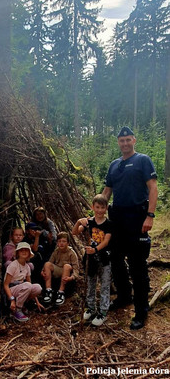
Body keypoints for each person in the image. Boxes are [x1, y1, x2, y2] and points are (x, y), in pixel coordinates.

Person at [102, 126, 158, 330]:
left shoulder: (143, 160)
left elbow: (153, 188)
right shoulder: (114, 165)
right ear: (118, 143)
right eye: (121, 140)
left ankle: (141, 310)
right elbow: (107, 191)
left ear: (134, 140)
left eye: (128, 140)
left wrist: (150, 216)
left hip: (137, 217)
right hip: (117, 217)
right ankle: (125, 296)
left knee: (137, 264)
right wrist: (97, 212)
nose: (125, 143)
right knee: (115, 259)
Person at [72, 195, 112, 326]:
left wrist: (95, 250)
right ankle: (90, 308)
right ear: (92, 207)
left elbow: (106, 241)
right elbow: (74, 232)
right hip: (90, 260)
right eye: (97, 207)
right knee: (90, 283)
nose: (100, 210)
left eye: (102, 207)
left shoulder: (108, 224)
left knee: (104, 285)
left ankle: (103, 312)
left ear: (106, 208)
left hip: (104, 259)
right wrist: (79, 221)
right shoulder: (89, 222)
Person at [3, 242, 43, 322]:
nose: (24, 252)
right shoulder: (13, 265)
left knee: (38, 288)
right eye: (21, 250)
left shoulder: (27, 267)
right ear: (18, 253)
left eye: (26, 250)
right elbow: (6, 285)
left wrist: (37, 302)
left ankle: (21, 305)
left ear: (29, 253)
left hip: (21, 289)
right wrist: (12, 300)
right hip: (11, 291)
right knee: (27, 285)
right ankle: (17, 310)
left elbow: (30, 285)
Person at [41, 232, 79, 306]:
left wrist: (72, 277)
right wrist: (43, 270)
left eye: (64, 241)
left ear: (68, 243)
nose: (61, 243)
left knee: (67, 266)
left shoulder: (71, 253)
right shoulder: (56, 251)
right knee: (47, 264)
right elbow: (50, 262)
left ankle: (61, 292)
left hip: (67, 272)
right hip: (58, 270)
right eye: (59, 241)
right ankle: (48, 290)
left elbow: (76, 269)